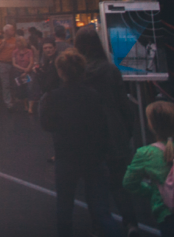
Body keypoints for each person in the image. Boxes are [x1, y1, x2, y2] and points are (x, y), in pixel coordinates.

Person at [39, 50, 120, 237]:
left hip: (66, 156)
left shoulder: (53, 97)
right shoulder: (93, 94)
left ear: (61, 72)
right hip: (94, 156)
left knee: (64, 208)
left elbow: (46, 124)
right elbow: (103, 124)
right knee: (101, 209)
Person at [74, 28, 139, 234]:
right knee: (119, 184)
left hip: (89, 133)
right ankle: (131, 223)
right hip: (115, 130)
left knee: (93, 185)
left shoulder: (79, 73)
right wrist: (128, 130)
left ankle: (99, 225)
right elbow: (124, 104)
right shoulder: (111, 70)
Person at [124, 100, 174, 236]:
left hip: (166, 214)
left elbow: (129, 183)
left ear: (152, 125)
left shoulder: (145, 153)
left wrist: (153, 192)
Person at [0, 23, 17, 109]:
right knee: (5, 83)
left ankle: (14, 99)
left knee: (14, 82)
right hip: (3, 63)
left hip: (13, 63)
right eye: (12, 30)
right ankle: (8, 102)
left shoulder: (14, 40)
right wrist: (3, 45)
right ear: (6, 31)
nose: (13, 31)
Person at [13, 34, 36, 113]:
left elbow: (31, 62)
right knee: (21, 89)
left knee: (30, 88)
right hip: (19, 72)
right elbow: (14, 63)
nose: (18, 43)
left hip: (28, 72)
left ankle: (31, 107)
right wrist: (23, 70)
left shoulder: (29, 51)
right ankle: (25, 105)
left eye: (19, 41)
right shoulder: (15, 52)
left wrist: (27, 70)